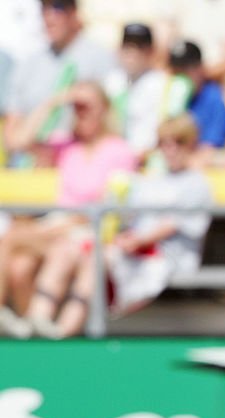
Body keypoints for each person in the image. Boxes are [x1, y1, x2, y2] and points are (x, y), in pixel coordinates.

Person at [22, 115, 212, 338]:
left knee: (94, 258)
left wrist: (136, 240)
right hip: (131, 248)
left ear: (191, 143)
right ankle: (37, 318)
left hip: (164, 257)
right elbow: (121, 213)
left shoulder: (196, 183)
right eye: (164, 142)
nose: (170, 149)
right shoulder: (150, 179)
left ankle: (64, 331)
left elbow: (173, 224)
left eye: (178, 142)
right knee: (65, 249)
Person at [0, 81, 136, 338]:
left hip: (85, 227)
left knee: (12, 238)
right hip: (59, 227)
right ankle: (33, 327)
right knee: (19, 266)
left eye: (86, 107)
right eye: (76, 108)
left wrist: (69, 223)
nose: (80, 113)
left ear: (104, 109)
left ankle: (33, 323)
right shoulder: (66, 146)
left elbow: (110, 202)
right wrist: (54, 102)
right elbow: (18, 142)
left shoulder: (119, 150)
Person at [3, 0, 116, 168]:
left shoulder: (102, 59)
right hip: (27, 168)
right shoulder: (28, 63)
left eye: (57, 7)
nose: (49, 17)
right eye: (44, 9)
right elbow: (11, 136)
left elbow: (113, 124)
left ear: (73, 12)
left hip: (82, 167)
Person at [104, 23, 192, 160]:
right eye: (127, 46)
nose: (133, 53)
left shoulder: (167, 84)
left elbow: (175, 129)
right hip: (117, 161)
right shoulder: (111, 83)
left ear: (151, 51)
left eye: (140, 47)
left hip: (154, 162)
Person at [168, 40, 225, 167]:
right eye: (177, 70)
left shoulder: (214, 98)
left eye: (187, 69)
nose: (182, 76)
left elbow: (208, 149)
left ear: (200, 68)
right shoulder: (169, 96)